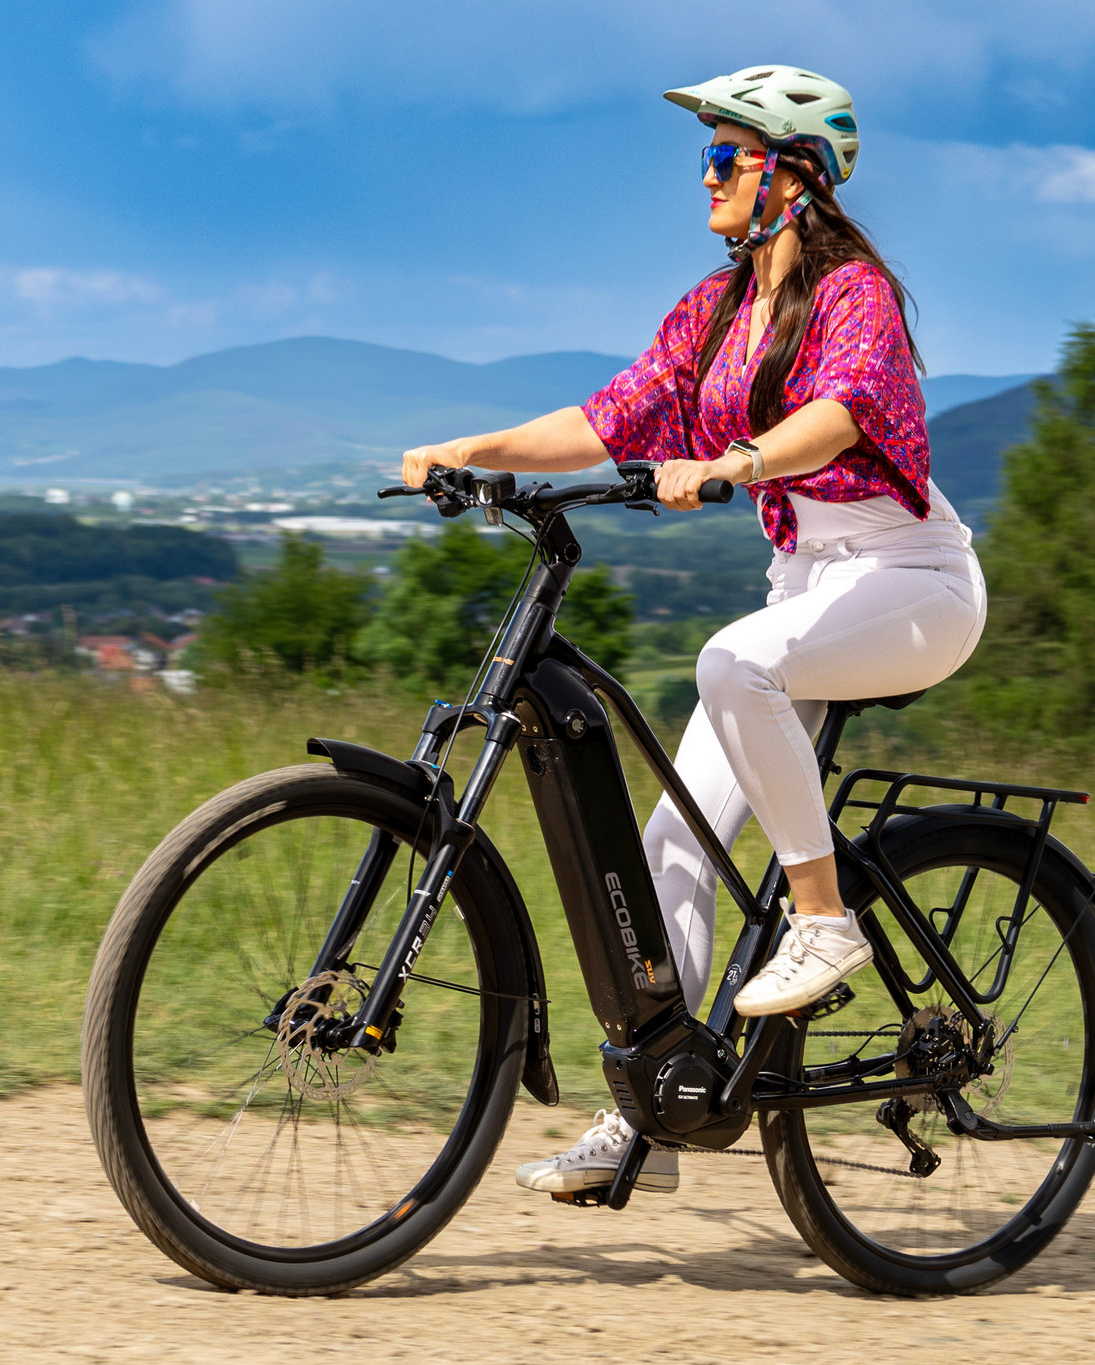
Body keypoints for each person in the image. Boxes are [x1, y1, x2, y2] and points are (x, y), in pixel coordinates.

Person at [397, 65, 985, 1200]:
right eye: (705, 158)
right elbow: (607, 417)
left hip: (912, 579)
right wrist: (473, 450)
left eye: (725, 157)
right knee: (673, 838)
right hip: (807, 585)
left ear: (792, 175)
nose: (706, 178)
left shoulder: (854, 293)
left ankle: (826, 920)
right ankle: (650, 1121)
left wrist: (738, 461)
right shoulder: (715, 311)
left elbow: (842, 413)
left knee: (732, 659)